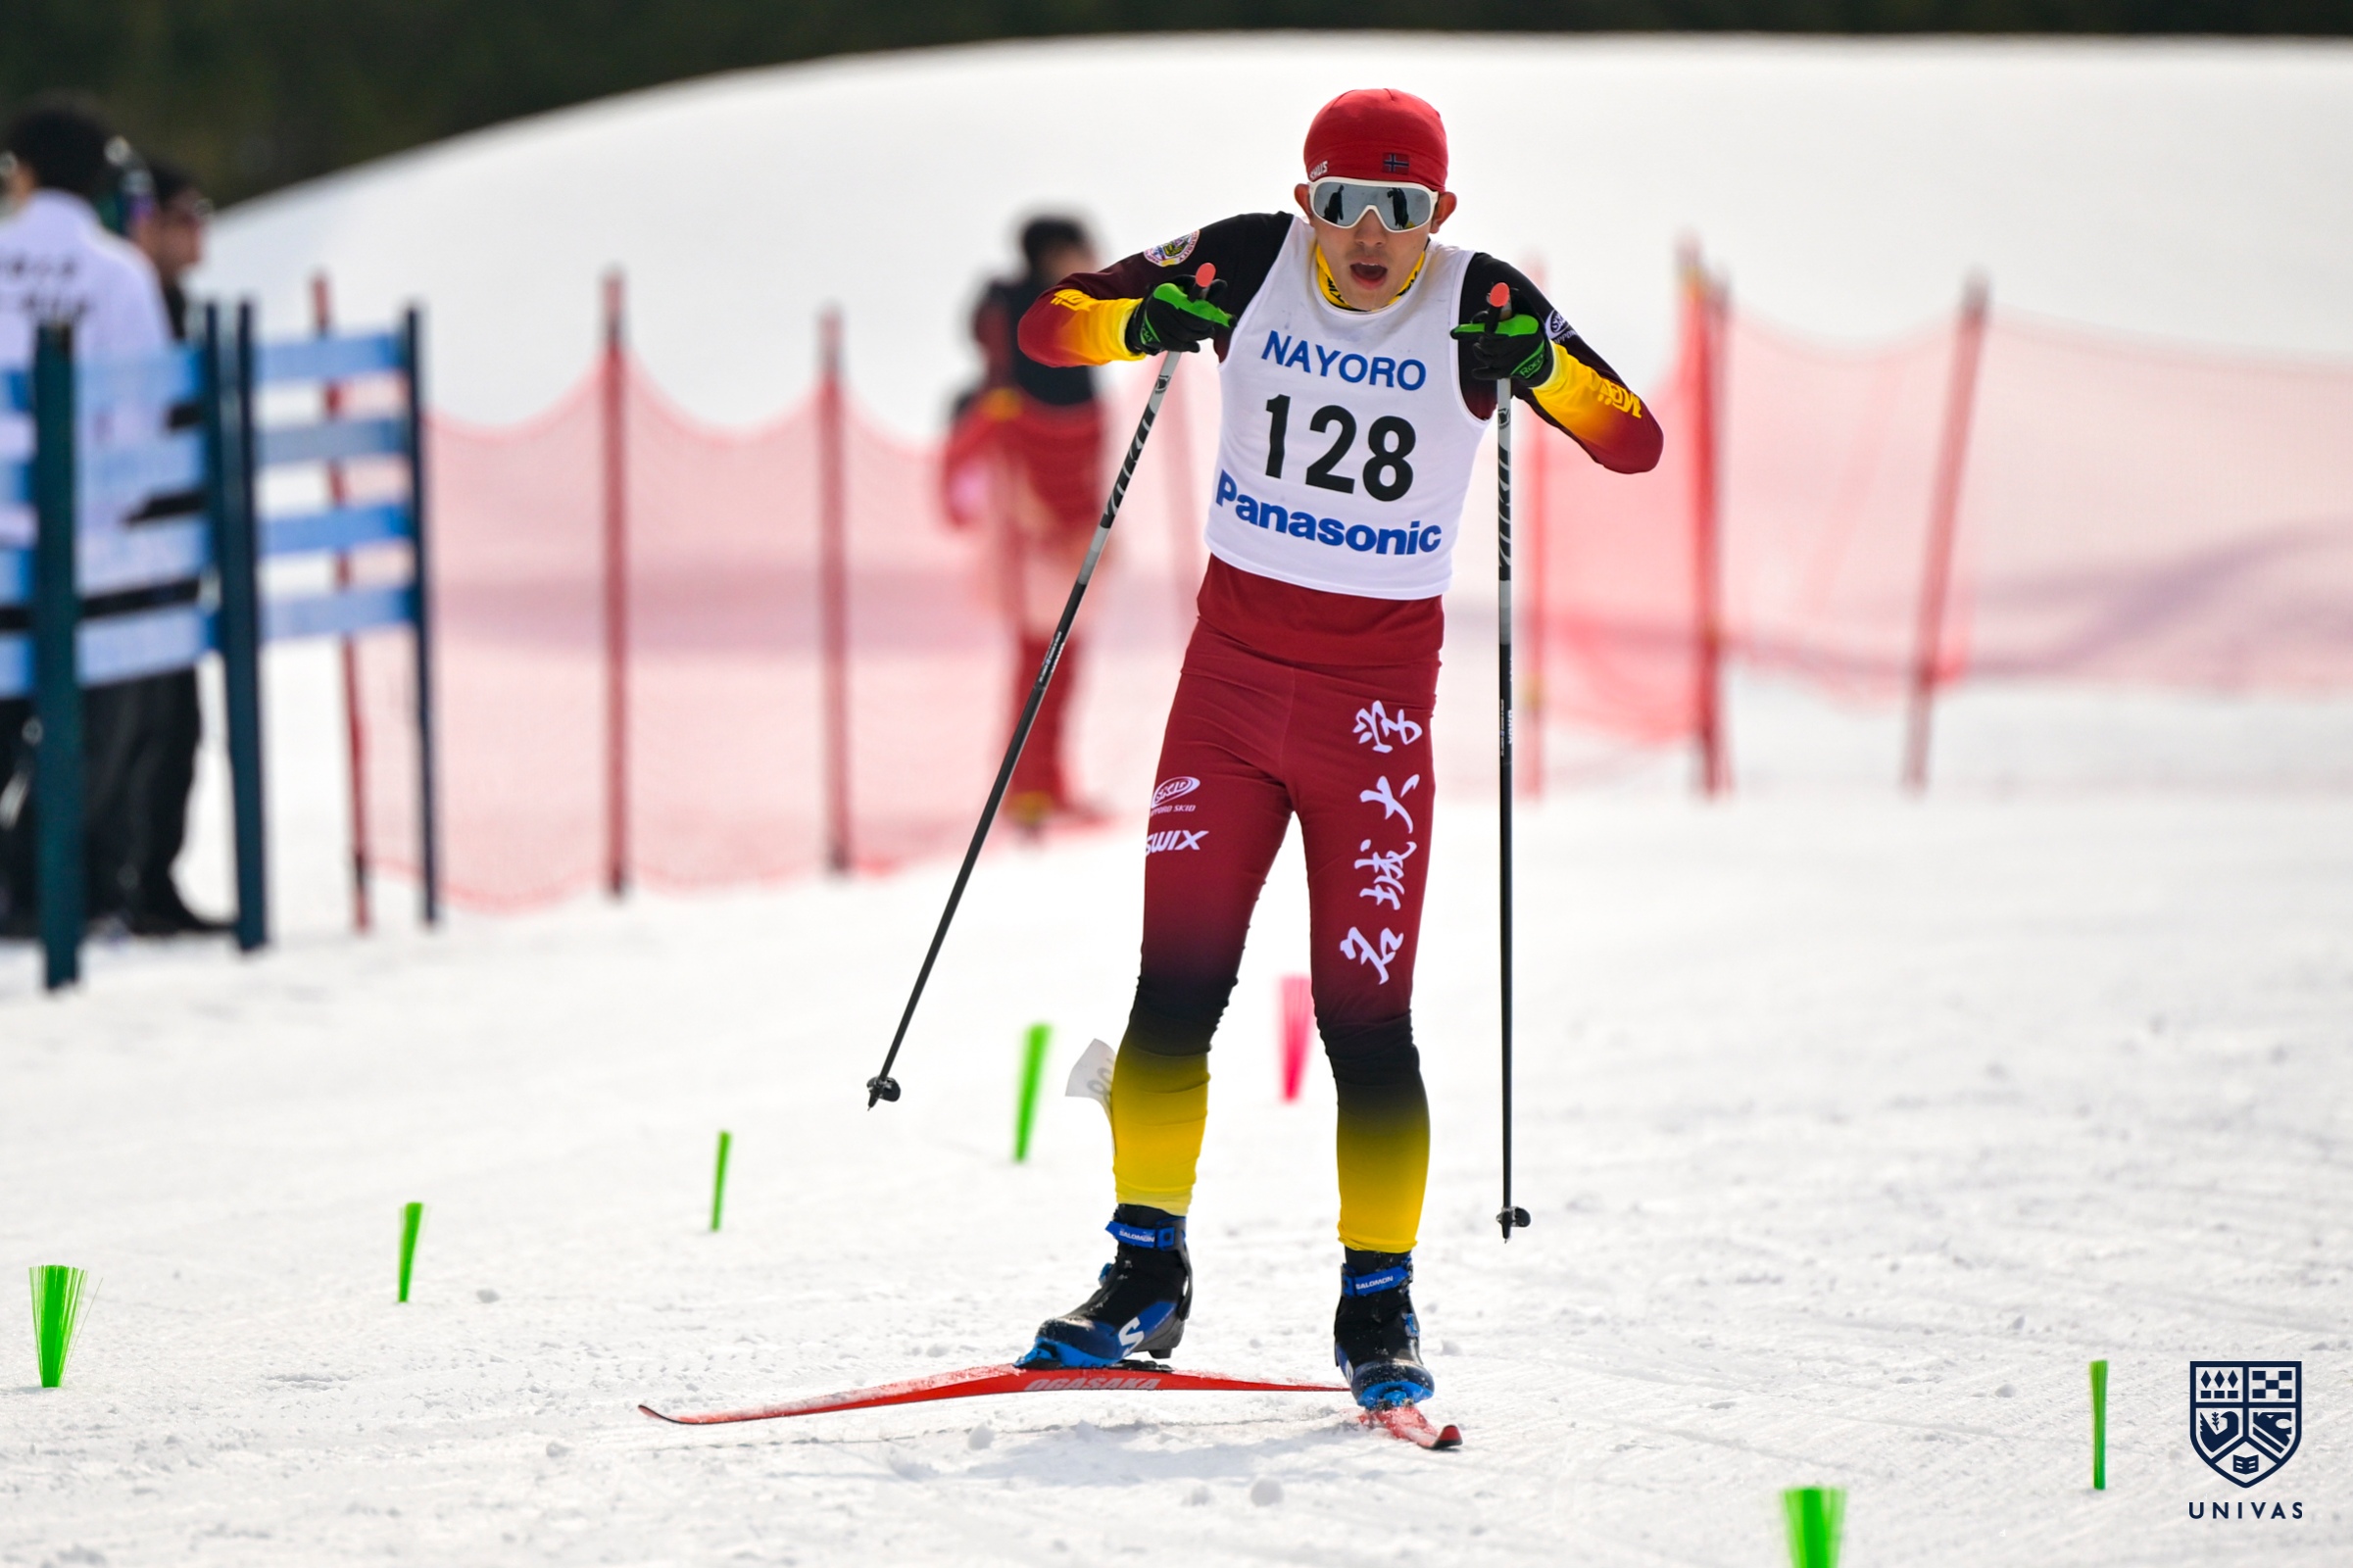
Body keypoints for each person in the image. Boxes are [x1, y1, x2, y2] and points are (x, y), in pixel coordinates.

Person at [1008, 89, 1661, 1410]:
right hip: (1228, 699)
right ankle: (1143, 1273)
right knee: (1172, 993)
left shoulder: (1479, 301)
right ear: (1307, 200)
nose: (1370, 235)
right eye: (1345, 204)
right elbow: (1049, 326)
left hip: (1372, 720)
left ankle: (1377, 1301)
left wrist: (1541, 366)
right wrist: (1144, 317)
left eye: (1401, 209)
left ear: (1439, 215)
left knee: (1367, 1023)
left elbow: (1630, 438)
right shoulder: (1249, 260)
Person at [0, 94, 173, 938]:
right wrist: (96, 521)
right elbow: (140, 424)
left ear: (24, 173)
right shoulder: (119, 275)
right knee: (93, 727)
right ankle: (39, 883)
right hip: (88, 551)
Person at [89, 154, 221, 935]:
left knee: (176, 729)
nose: (195, 231)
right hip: (124, 558)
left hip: (176, 553)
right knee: (120, 731)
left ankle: (151, 880)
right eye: (179, 215)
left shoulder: (182, 311)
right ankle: (99, 883)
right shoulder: (120, 304)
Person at [945, 217, 1107, 830]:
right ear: (1057, 254)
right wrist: (1058, 524)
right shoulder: (1031, 336)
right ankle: (1028, 786)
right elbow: (1023, 447)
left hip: (1069, 522)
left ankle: (1049, 780)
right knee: (1040, 655)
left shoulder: (1071, 328)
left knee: (1062, 656)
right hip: (1035, 529)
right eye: (1084, 248)